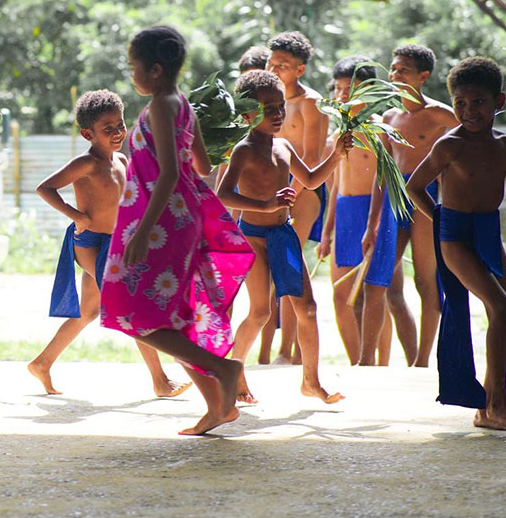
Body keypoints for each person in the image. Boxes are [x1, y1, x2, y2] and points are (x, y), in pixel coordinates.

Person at [99, 26, 255, 436]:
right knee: (170, 316)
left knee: (133, 309)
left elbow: (169, 173)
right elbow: (202, 165)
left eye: (134, 67)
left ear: (154, 68)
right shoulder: (180, 103)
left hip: (159, 220)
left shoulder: (161, 107)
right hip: (177, 216)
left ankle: (224, 368)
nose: (131, 74)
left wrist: (142, 231)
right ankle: (217, 406)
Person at [406, 56, 506, 431]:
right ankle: (497, 403)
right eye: (460, 103)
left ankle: (488, 407)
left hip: (489, 231)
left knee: (504, 313)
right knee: (501, 309)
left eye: (478, 102)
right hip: (455, 235)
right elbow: (414, 187)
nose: (468, 111)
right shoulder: (449, 145)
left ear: (499, 102)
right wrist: (440, 223)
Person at [28, 90, 188, 398]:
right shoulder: (85, 163)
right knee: (133, 304)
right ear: (88, 133)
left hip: (116, 243)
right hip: (89, 243)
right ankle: (160, 380)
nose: (117, 133)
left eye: (120, 124)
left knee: (88, 311)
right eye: (107, 128)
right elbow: (44, 187)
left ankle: (42, 363)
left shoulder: (122, 159)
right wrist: (76, 215)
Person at [217, 70, 350, 404]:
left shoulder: (284, 146)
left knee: (307, 307)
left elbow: (310, 180)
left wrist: (336, 155)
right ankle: (235, 372)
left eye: (279, 107)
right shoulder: (243, 150)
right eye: (267, 108)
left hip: (283, 233)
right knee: (261, 312)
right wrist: (263, 204)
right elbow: (222, 194)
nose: (277, 114)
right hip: (252, 236)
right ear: (247, 114)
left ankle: (311, 381)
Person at [317, 57, 412, 366]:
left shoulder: (379, 131)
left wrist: (373, 224)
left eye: (351, 88)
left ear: (368, 91)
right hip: (345, 212)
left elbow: (382, 180)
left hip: (376, 213)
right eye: (340, 88)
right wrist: (326, 233)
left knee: (375, 292)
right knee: (342, 296)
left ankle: (373, 362)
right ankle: (357, 360)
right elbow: (334, 187)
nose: (344, 95)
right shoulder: (336, 137)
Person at [383, 44, 458, 368]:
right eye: (394, 68)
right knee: (385, 280)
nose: (395, 74)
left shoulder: (441, 114)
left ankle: (423, 361)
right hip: (394, 196)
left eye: (403, 70)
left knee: (426, 280)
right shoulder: (389, 118)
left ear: (423, 76)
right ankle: (409, 354)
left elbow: (466, 147)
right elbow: (382, 173)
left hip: (425, 195)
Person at [265, 31, 328, 365]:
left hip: (302, 193)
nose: (275, 69)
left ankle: (288, 353)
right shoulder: (266, 101)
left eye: (283, 65)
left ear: (300, 69)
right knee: (269, 274)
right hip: (269, 195)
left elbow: (314, 158)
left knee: (290, 270)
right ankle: (269, 351)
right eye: (271, 62)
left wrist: (289, 196)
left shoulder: (310, 104)